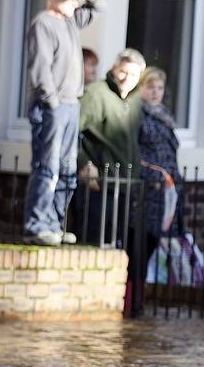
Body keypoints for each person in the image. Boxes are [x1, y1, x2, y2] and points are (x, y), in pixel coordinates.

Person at [21, 0, 102, 246]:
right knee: (47, 166)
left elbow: (99, 6)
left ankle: (54, 224)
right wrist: (52, 101)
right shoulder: (43, 23)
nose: (72, 0)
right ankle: (36, 225)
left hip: (71, 104)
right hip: (51, 106)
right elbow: (40, 67)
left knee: (68, 168)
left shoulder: (70, 22)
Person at [75, 48, 146, 243]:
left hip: (126, 186)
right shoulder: (96, 94)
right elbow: (70, 131)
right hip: (99, 186)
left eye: (133, 74)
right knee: (92, 245)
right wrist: (84, 163)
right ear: (114, 69)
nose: (126, 78)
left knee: (116, 249)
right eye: (123, 72)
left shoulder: (136, 101)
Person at [134, 67, 188, 307]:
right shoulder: (137, 115)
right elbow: (134, 153)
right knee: (140, 246)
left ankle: (140, 296)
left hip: (167, 192)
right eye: (150, 87)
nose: (155, 92)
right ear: (141, 88)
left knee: (153, 245)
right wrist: (152, 176)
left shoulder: (164, 117)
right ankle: (133, 299)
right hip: (148, 191)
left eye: (159, 88)